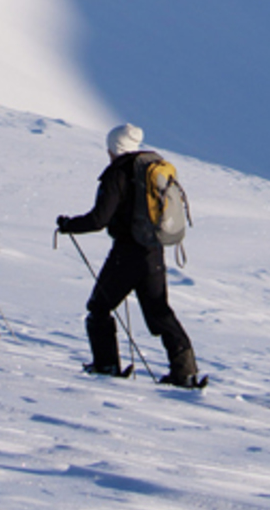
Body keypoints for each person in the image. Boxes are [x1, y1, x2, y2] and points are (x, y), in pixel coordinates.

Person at [56, 122, 201, 386]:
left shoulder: (117, 173)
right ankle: (185, 371)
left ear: (115, 147)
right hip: (153, 250)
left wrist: (69, 225)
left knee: (99, 307)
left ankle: (106, 365)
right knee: (159, 311)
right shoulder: (150, 167)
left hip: (127, 252)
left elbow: (99, 219)